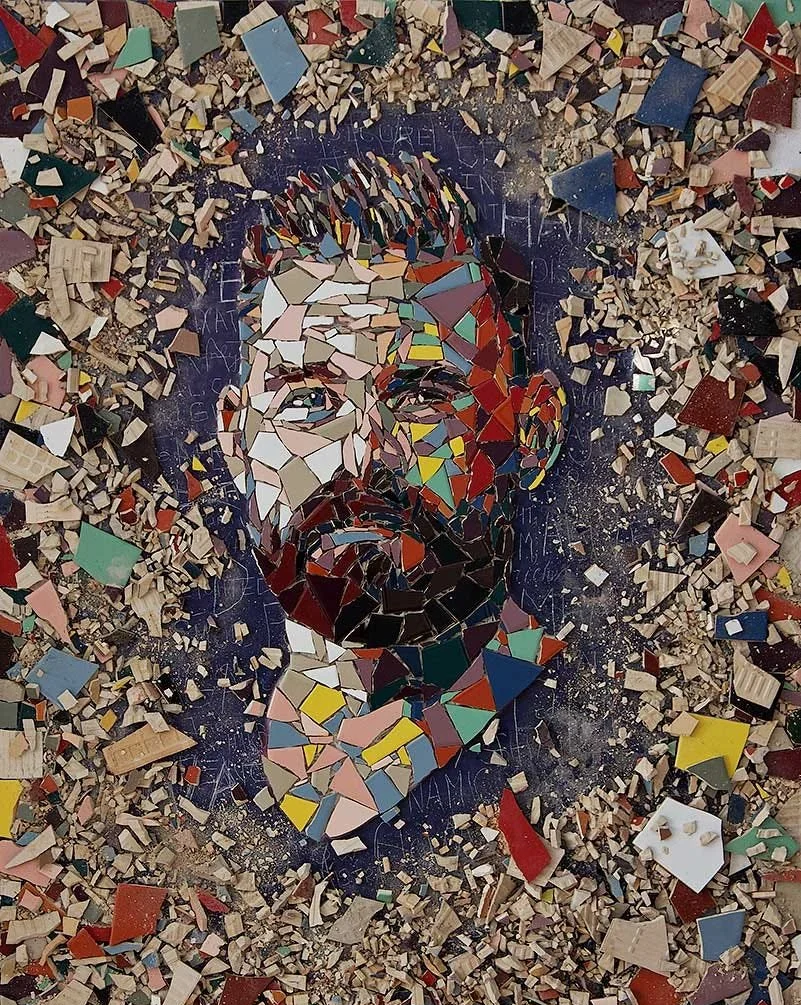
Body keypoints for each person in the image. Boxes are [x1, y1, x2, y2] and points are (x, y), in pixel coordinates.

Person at [217, 153, 568, 841]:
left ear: (530, 433)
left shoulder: (554, 720)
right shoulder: (253, 748)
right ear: (237, 441)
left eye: (423, 399)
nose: (365, 453)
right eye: (309, 402)